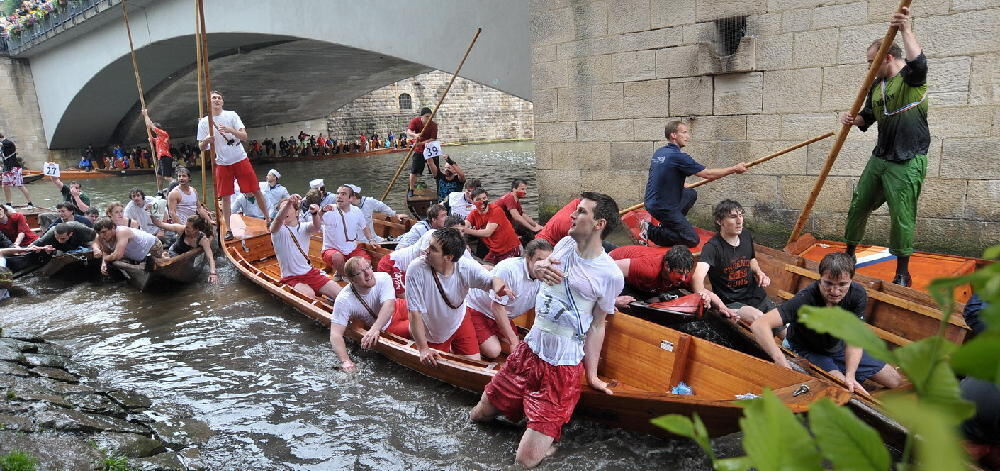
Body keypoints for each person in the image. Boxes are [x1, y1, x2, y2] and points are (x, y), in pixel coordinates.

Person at [470, 192, 625, 468]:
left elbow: (597, 324)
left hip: (561, 365)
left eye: (581, 212)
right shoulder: (565, 244)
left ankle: (549, 441)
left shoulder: (610, 274)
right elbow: (542, 263)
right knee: (479, 416)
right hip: (529, 350)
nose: (572, 215)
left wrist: (591, 375)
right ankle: (534, 422)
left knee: (525, 461)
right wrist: (540, 267)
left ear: (599, 224)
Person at [839, 7, 927, 287]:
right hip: (880, 157)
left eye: (871, 61)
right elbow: (868, 117)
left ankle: (902, 272)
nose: (869, 67)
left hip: (907, 159)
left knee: (902, 214)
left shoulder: (911, 79)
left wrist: (906, 29)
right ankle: (849, 255)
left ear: (887, 57)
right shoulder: (876, 86)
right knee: (859, 203)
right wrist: (853, 119)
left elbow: (919, 63)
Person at [751, 252, 903, 393]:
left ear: (851, 280)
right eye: (828, 283)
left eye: (842, 285)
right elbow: (760, 325)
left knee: (894, 380)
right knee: (844, 389)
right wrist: (781, 361)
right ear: (820, 278)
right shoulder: (805, 299)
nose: (835, 291)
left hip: (838, 345)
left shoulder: (858, 294)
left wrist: (850, 374)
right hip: (809, 349)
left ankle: (845, 371)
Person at [388, 228, 510, 363]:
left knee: (474, 362)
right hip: (433, 328)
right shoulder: (416, 269)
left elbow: (492, 280)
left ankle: (448, 345)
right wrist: (423, 348)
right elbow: (414, 313)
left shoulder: (465, 266)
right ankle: (411, 330)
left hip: (459, 319)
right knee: (434, 362)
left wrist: (499, 288)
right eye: (429, 245)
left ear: (448, 257)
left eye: (433, 249)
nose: (426, 250)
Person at [641, 121, 746, 247]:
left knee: (690, 194)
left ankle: (668, 224)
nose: (688, 136)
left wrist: (679, 184)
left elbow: (661, 174)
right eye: (684, 132)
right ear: (674, 135)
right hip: (663, 207)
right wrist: (734, 169)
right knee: (691, 239)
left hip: (652, 201)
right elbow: (707, 174)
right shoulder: (678, 157)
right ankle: (650, 230)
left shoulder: (660, 152)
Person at [197, 90, 269, 239]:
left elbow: (244, 136)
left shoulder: (232, 115)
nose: (217, 100)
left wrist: (230, 130)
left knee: (256, 190)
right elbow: (201, 147)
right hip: (222, 163)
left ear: (222, 102)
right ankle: (229, 229)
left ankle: (268, 219)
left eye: (219, 98)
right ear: (209, 102)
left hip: (240, 158)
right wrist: (206, 141)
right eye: (213, 98)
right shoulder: (204, 122)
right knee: (225, 196)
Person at [466, 238, 553, 359]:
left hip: (503, 315)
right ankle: (465, 338)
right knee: (494, 351)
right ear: (528, 258)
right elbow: (496, 307)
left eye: (547, 261)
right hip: (478, 308)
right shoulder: (509, 269)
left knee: (519, 349)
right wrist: (513, 341)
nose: (544, 265)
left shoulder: (547, 275)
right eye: (539, 260)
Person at [691, 200, 774, 324]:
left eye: (741, 215)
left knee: (784, 327)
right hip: (732, 302)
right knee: (759, 319)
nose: (739, 221)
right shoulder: (712, 247)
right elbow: (697, 277)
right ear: (720, 221)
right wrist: (703, 295)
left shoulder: (745, 235)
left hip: (756, 295)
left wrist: (759, 272)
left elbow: (751, 259)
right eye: (733, 217)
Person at [329, 256, 409, 372]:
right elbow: (335, 334)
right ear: (352, 280)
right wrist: (345, 361)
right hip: (388, 326)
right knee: (419, 327)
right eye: (360, 273)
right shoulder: (344, 300)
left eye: (368, 268)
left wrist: (374, 329)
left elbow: (389, 306)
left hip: (398, 307)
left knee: (428, 310)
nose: (368, 274)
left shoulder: (383, 277)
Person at [270, 195, 342, 299]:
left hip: (309, 272)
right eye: (282, 209)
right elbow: (277, 220)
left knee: (340, 293)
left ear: (297, 212)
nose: (285, 211)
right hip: (290, 277)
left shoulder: (304, 227)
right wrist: (289, 203)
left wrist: (315, 213)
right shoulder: (277, 230)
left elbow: (316, 226)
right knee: (309, 295)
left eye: (289, 208)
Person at [377, 215, 467, 298]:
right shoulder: (432, 235)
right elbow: (425, 257)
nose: (459, 234)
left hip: (409, 271)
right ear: (447, 229)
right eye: (456, 231)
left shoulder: (456, 244)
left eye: (462, 231)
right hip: (392, 264)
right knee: (406, 298)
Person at [610, 244, 703, 298]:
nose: (683, 279)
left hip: (637, 274)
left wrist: (705, 296)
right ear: (667, 266)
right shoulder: (647, 269)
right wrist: (613, 301)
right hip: (613, 264)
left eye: (686, 274)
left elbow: (701, 289)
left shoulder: (683, 275)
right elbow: (607, 269)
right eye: (680, 273)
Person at [320, 185, 374, 278]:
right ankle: (348, 277)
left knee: (366, 262)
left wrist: (371, 240)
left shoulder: (356, 210)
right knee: (337, 257)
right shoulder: (329, 209)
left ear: (351, 198)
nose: (339, 196)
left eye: (343, 194)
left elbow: (365, 227)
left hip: (351, 249)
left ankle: (345, 273)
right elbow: (316, 221)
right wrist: (321, 211)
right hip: (331, 250)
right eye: (338, 193)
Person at [152, 214, 218, 283]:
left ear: (196, 229)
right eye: (186, 226)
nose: (185, 228)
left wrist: (212, 273)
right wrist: (152, 215)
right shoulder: (181, 229)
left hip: (186, 259)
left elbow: (210, 256)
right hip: (173, 252)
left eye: (188, 227)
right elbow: (161, 224)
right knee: (164, 258)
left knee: (167, 260)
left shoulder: (203, 240)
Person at [464, 188, 522, 264]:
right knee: (483, 267)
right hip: (495, 251)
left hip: (510, 249)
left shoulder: (496, 210)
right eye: (478, 199)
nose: (482, 201)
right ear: (472, 201)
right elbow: (464, 225)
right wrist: (464, 243)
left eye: (484, 198)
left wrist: (466, 230)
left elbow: (487, 232)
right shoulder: (473, 214)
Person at [92, 217, 166, 275]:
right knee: (115, 262)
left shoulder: (122, 232)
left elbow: (118, 255)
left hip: (152, 247)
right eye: (99, 233)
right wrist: (104, 263)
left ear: (113, 228)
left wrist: (105, 259)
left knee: (116, 259)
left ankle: (161, 258)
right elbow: (106, 251)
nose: (102, 236)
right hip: (136, 254)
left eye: (104, 232)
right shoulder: (100, 236)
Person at [496, 178, 544, 242]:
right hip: (496, 227)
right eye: (522, 189)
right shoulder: (510, 198)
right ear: (514, 189)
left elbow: (522, 215)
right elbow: (516, 216)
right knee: (527, 232)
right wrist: (532, 229)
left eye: (526, 189)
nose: (525, 192)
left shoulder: (515, 199)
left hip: (504, 226)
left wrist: (536, 225)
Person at [406, 107, 439, 197]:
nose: (429, 119)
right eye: (427, 116)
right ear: (422, 116)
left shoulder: (434, 125)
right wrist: (415, 135)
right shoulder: (415, 121)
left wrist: (421, 143)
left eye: (430, 117)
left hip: (430, 149)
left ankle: (439, 188)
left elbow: (433, 138)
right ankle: (411, 189)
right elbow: (409, 131)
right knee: (414, 170)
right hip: (419, 150)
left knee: (436, 170)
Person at [143, 109, 175, 189]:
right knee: (159, 176)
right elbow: (152, 139)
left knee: (167, 177)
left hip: (165, 157)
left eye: (155, 129)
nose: (154, 131)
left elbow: (151, 125)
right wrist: (150, 137)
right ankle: (160, 192)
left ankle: (177, 186)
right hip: (161, 158)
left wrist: (145, 114)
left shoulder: (164, 134)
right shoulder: (158, 138)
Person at [1, 132, 34, 208]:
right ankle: (8, 204)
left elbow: (2, 144)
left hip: (15, 168)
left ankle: (30, 203)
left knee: (20, 186)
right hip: (6, 168)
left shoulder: (8, 143)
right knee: (5, 185)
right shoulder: (3, 145)